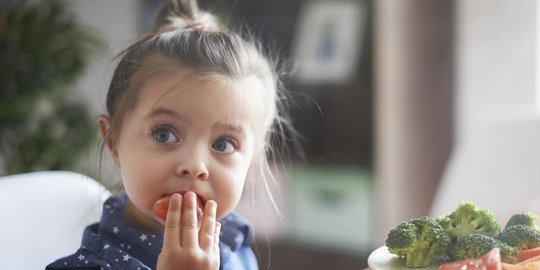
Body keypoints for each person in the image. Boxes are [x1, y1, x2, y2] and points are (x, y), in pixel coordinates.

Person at [46, 0, 295, 269]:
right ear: (114, 142)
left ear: (252, 160)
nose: (194, 166)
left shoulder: (236, 244)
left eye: (223, 144)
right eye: (164, 134)